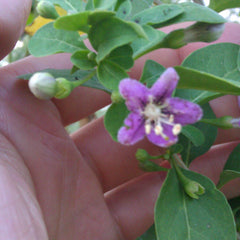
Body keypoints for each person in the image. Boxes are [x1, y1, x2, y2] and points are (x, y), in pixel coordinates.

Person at [0, 1, 240, 239]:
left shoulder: (153, 98)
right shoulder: (141, 101)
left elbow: (160, 91)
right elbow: (131, 95)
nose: (154, 113)